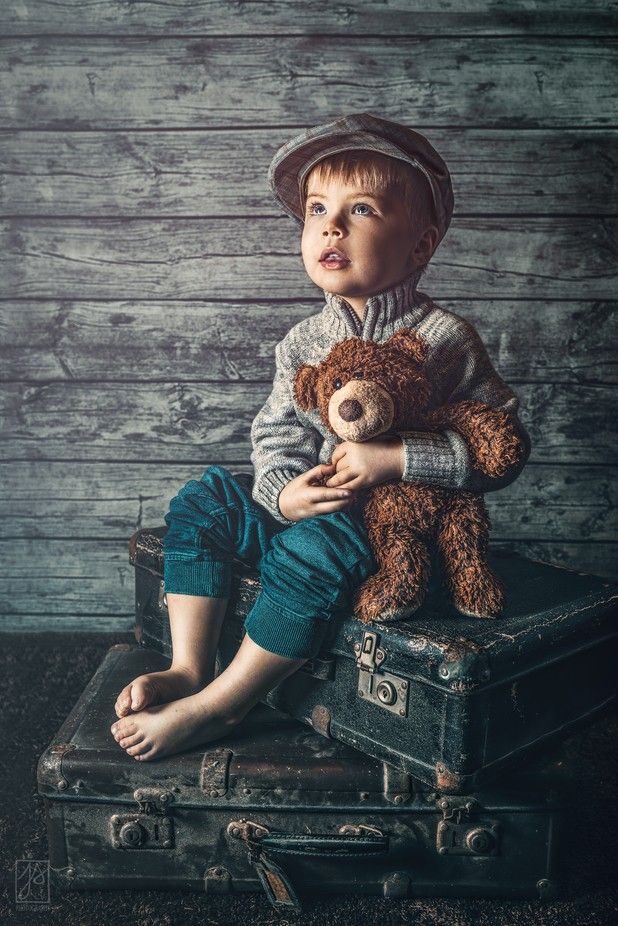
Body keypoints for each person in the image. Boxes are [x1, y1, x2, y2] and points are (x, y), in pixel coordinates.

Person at [110, 113, 531, 761]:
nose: (331, 226)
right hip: (312, 507)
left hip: (390, 537)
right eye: (316, 210)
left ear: (420, 244)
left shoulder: (446, 340)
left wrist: (396, 458)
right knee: (205, 499)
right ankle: (191, 666)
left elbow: (499, 447)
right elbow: (275, 437)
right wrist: (284, 494)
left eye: (360, 209)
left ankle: (224, 703)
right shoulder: (302, 342)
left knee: (313, 547)